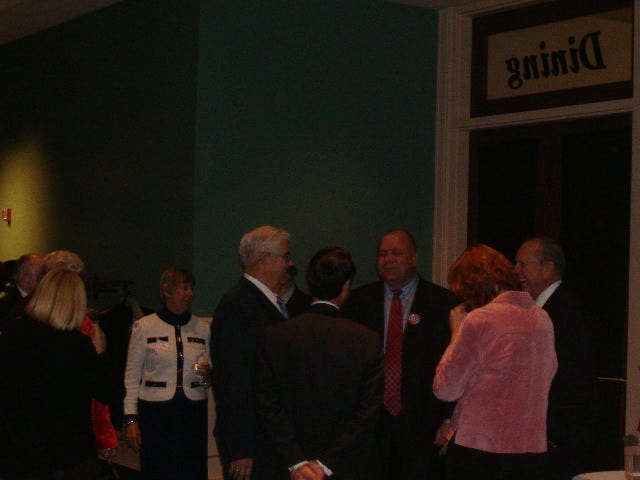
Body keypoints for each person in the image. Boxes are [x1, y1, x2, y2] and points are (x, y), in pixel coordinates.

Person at [256, 247, 383, 480]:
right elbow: (367, 412)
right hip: (345, 466)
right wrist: (325, 464)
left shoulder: (276, 336)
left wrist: (297, 461)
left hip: (285, 464)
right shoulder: (366, 340)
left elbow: (267, 405)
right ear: (346, 287)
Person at [433, 244, 558, 480]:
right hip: (529, 447)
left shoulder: (481, 319)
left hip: (480, 448)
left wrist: (456, 334)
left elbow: (446, 388)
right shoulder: (542, 318)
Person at [343, 229, 457, 479]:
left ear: (414, 258)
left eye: (396, 252)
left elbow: (454, 365)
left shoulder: (443, 304)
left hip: (423, 425)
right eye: (382, 254)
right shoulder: (358, 302)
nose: (388, 259)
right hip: (371, 425)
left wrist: (449, 419)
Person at [0, 268, 121, 479]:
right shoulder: (77, 345)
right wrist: (100, 352)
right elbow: (111, 392)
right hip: (67, 454)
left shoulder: (13, 332)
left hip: (20, 450)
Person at [211, 225, 294, 480]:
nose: (289, 264)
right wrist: (241, 448)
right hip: (252, 443)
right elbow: (232, 381)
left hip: (270, 438)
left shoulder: (266, 302)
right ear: (262, 259)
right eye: (284, 256)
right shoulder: (238, 305)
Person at [515, 237, 597, 479]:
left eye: (522, 264)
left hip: (557, 438)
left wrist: (552, 433)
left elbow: (572, 378)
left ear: (547, 268)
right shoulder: (541, 309)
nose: (516, 271)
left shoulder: (564, 311)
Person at [123, 268, 211, 480]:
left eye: (191, 289)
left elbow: (208, 376)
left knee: (191, 469)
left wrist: (206, 373)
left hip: (192, 411)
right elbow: (132, 376)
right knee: (159, 468)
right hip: (156, 412)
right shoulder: (144, 327)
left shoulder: (202, 328)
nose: (189, 294)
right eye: (184, 288)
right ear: (167, 291)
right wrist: (131, 418)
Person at [0, 252, 43, 327]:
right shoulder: (6, 306)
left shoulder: (44, 299)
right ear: (24, 275)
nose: (44, 277)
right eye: (40, 273)